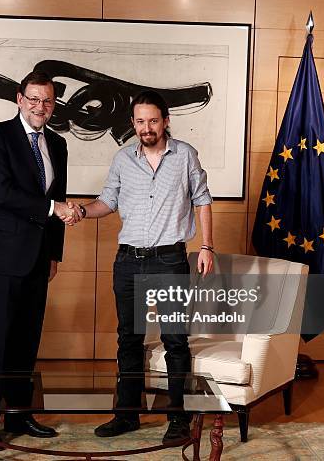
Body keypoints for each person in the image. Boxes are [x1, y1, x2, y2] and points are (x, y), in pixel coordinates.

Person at [67, 90, 214, 444]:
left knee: (175, 340)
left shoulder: (185, 156)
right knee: (128, 340)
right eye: (140, 121)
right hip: (129, 261)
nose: (146, 127)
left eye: (152, 120)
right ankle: (127, 415)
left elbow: (203, 200)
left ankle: (177, 420)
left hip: (170, 260)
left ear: (165, 121)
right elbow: (108, 202)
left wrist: (207, 246)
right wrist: (83, 211)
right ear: (132, 123)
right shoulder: (122, 159)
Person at [0, 71, 79, 449]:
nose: (40, 107)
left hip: (38, 257)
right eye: (33, 99)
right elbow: (2, 193)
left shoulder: (59, 144)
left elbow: (59, 197)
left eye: (47, 101)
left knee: (27, 339)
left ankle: (19, 415)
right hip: (1, 255)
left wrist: (54, 254)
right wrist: (55, 208)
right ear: (20, 99)